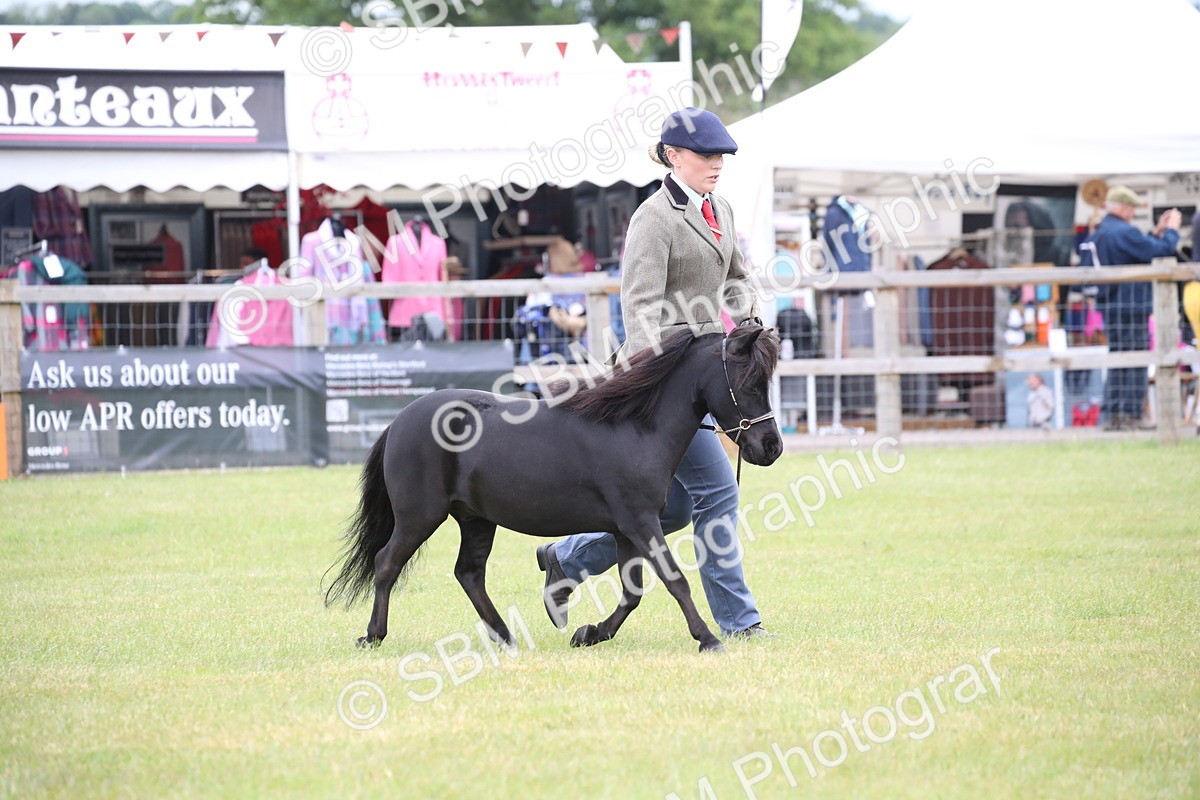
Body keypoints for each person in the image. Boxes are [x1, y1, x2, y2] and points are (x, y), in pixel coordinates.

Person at [535, 107, 775, 639]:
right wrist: (658, 380)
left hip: (705, 377)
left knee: (676, 508)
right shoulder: (654, 217)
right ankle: (739, 623)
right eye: (707, 155)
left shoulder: (722, 210)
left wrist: (752, 328)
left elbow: (738, 277)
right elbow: (638, 304)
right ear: (673, 157)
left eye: (722, 156)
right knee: (717, 493)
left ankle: (567, 559)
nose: (718, 164)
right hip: (661, 384)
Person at [1085, 186, 1181, 430]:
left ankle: (1113, 413)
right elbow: (1159, 251)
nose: (1131, 213)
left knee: (1118, 358)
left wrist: (1154, 233)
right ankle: (1130, 413)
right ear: (1122, 207)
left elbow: (1137, 250)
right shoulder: (1123, 231)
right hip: (1131, 306)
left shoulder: (1102, 231)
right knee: (1136, 359)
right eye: (1130, 208)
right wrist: (1171, 232)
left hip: (1112, 305)